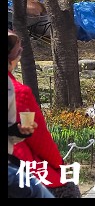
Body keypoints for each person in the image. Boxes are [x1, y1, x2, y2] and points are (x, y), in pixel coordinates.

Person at [8, 32, 66, 198]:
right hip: (19, 167)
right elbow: (40, 140)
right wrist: (59, 164)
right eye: (19, 52)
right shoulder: (19, 91)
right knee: (67, 189)